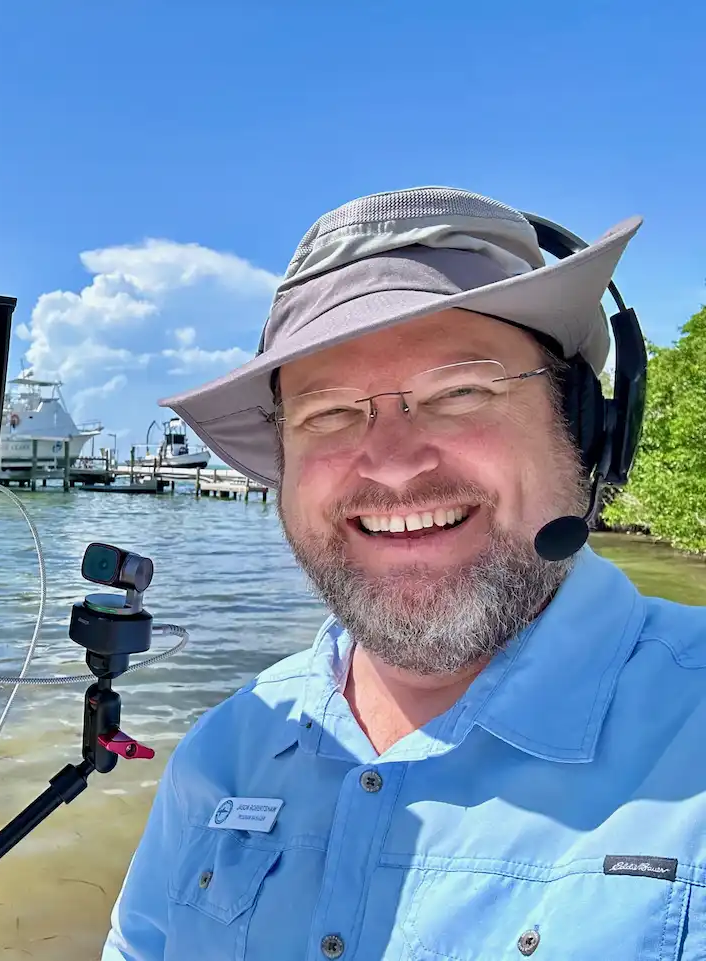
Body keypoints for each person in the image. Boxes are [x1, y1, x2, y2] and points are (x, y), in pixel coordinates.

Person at [100, 186, 706, 961]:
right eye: (329, 414)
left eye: (460, 393)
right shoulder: (226, 749)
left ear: (586, 432)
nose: (391, 465)